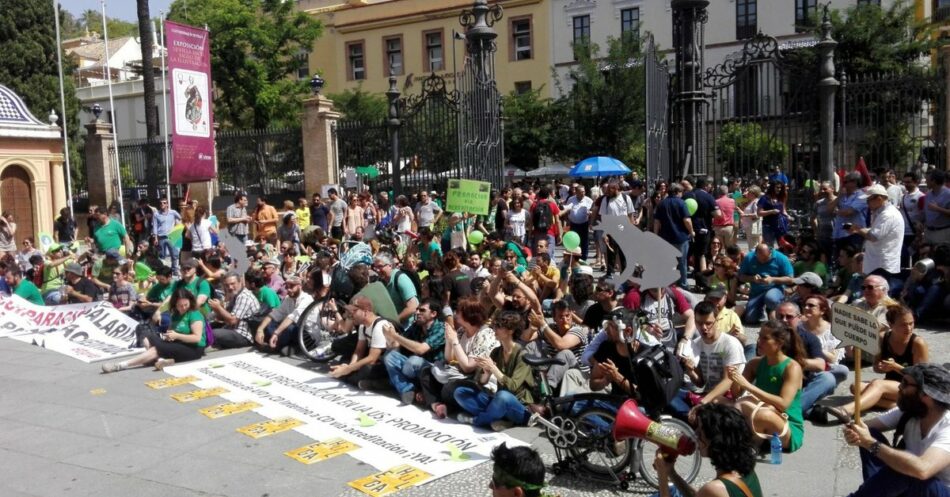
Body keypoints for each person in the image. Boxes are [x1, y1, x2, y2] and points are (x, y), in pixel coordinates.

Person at [842, 363, 950, 497]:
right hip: (909, 483)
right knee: (871, 435)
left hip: (937, 490)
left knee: (908, 468)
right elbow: (865, 428)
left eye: (905, 383)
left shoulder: (947, 427)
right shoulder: (910, 411)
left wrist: (871, 443)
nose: (899, 386)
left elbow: (923, 470)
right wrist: (855, 432)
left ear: (925, 395)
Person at [819, 305, 930, 423]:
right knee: (855, 387)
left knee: (877, 384)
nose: (909, 328)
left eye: (911, 323)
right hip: (892, 386)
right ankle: (896, 405)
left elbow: (921, 377)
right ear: (891, 325)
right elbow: (876, 366)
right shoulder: (883, 338)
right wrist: (881, 367)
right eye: (903, 324)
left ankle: (847, 410)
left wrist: (896, 367)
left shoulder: (918, 343)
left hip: (912, 388)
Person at [728, 319, 806, 453]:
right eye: (759, 336)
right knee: (735, 404)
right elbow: (736, 394)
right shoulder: (755, 363)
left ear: (779, 343)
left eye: (765, 338)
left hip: (787, 426)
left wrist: (748, 386)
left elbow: (783, 404)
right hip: (761, 413)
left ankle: (752, 445)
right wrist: (734, 378)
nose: (759, 341)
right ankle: (745, 440)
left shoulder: (792, 367)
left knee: (764, 414)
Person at [655, 403, 763, 497]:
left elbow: (708, 493)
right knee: (674, 490)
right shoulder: (747, 471)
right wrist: (670, 472)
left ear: (716, 441)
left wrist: (662, 474)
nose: (695, 435)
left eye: (700, 432)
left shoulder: (715, 488)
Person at [454, 311, 535, 431]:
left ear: (510, 330)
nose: (494, 329)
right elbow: (480, 383)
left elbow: (512, 386)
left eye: (499, 327)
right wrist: (486, 374)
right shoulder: (496, 352)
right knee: (460, 392)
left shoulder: (522, 355)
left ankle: (478, 420)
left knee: (503, 397)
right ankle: (498, 419)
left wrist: (493, 368)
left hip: (519, 406)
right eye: (494, 326)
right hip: (498, 399)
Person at [419, 296, 498, 419]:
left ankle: (446, 405)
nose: (455, 314)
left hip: (478, 379)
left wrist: (454, 341)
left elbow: (468, 367)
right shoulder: (462, 331)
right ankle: (437, 405)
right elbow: (449, 359)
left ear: (469, 316)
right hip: (459, 374)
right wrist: (449, 340)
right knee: (426, 372)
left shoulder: (485, 335)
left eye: (459, 312)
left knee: (449, 387)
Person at [101, 288, 206, 373]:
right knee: (148, 337)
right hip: (177, 341)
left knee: (156, 349)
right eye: (180, 305)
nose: (183, 308)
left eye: (185, 305)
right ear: (175, 304)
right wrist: (166, 336)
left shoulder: (194, 314)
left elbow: (196, 338)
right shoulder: (175, 313)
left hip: (194, 348)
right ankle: (160, 360)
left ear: (190, 303)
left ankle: (121, 365)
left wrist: (177, 336)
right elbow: (170, 332)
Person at [671, 301, 746, 418]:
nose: (704, 328)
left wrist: (703, 402)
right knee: (670, 394)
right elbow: (701, 382)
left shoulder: (730, 344)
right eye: (699, 323)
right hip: (708, 395)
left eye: (708, 323)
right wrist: (691, 371)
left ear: (717, 321)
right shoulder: (696, 344)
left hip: (728, 398)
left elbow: (728, 381)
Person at [382, 298, 446, 404]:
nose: (417, 312)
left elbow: (421, 349)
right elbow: (397, 344)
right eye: (417, 309)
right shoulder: (416, 325)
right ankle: (408, 390)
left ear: (433, 314)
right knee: (390, 356)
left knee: (413, 361)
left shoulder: (441, 328)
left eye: (422, 310)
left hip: (434, 370)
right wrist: (388, 336)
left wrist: (395, 336)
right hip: (413, 367)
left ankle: (399, 384)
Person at [854, 184, 905, 291]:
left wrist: (857, 229)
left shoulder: (888, 214)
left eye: (869, 200)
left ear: (879, 198)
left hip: (881, 264)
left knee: (879, 296)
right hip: (876, 262)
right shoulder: (881, 213)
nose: (867, 203)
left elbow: (873, 236)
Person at [254, 275, 312, 354]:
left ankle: (278, 345)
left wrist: (276, 333)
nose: (288, 289)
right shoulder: (288, 298)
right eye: (286, 287)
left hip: (307, 333)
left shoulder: (307, 299)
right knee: (268, 323)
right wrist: (260, 329)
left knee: (288, 328)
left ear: (300, 286)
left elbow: (291, 318)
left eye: (291, 286)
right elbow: (275, 314)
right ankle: (282, 344)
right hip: (292, 329)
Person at [738, 243, 795, 324]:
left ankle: (773, 309)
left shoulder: (781, 258)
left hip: (775, 288)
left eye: (765, 259)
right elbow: (740, 276)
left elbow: (790, 279)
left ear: (770, 253)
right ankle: (758, 310)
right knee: (750, 319)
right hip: (757, 291)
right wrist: (752, 278)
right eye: (759, 259)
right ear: (755, 254)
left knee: (771, 298)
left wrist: (772, 279)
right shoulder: (749, 257)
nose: (762, 261)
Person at [208, 271, 264, 349]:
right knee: (208, 327)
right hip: (232, 328)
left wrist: (219, 308)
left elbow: (233, 320)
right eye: (227, 285)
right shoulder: (235, 295)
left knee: (213, 333)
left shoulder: (244, 296)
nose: (230, 287)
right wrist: (218, 308)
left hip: (244, 334)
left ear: (240, 282)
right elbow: (223, 318)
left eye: (232, 284)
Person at [654, 183, 694, 288]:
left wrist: (655, 235)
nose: (682, 194)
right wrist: (691, 232)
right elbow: (687, 220)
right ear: (677, 192)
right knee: (682, 263)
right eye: (681, 192)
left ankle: (667, 283)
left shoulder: (662, 204)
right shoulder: (681, 203)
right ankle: (683, 284)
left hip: (665, 237)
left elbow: (657, 222)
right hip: (680, 238)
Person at [596, 180, 637, 278]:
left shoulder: (626, 198)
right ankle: (610, 274)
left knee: (624, 255)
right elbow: (603, 218)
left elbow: (630, 215)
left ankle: (625, 276)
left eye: (609, 190)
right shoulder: (605, 200)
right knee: (611, 255)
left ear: (616, 189)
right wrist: (604, 234)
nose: (607, 192)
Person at [685, 176, 723, 278]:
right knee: (701, 254)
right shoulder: (708, 197)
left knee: (686, 255)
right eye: (710, 185)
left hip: (688, 229)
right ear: (706, 186)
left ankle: (682, 279)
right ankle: (702, 278)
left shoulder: (687, 195)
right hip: (703, 229)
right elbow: (718, 215)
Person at [373, 252, 419, 326]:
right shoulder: (380, 282)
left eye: (380, 266)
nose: (377, 270)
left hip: (407, 327)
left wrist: (395, 321)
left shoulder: (400, 279)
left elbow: (413, 307)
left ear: (390, 266)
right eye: (375, 267)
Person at [832, 172, 869, 255]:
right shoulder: (842, 195)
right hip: (839, 234)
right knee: (841, 262)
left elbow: (849, 212)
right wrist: (838, 196)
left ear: (854, 183)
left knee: (853, 259)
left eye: (845, 182)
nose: (843, 184)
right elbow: (829, 209)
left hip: (853, 234)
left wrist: (837, 212)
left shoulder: (861, 196)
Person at [899, 172, 926, 268]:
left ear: (916, 182)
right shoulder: (903, 197)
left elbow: (925, 216)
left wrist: (920, 230)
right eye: (904, 182)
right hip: (903, 233)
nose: (906, 184)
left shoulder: (921, 197)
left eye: (909, 182)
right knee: (903, 259)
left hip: (915, 235)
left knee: (915, 260)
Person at [562, 184, 593, 261]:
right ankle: (575, 258)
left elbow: (593, 211)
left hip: (584, 224)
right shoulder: (571, 199)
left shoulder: (589, 200)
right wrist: (567, 220)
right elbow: (567, 210)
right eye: (581, 192)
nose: (583, 193)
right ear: (576, 192)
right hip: (573, 224)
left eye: (584, 192)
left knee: (584, 242)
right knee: (574, 242)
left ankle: (584, 258)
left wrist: (590, 213)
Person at [152, 197, 182, 276]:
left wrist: (177, 228)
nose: (162, 204)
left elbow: (181, 218)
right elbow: (154, 226)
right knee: (162, 255)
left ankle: (174, 270)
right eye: (161, 203)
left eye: (164, 203)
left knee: (174, 254)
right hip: (161, 237)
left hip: (171, 236)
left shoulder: (173, 212)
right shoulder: (156, 214)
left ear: (167, 204)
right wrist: (155, 238)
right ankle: (163, 271)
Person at [528, 187, 560, 260]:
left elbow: (531, 221)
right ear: (548, 195)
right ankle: (551, 269)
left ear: (539, 195)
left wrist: (530, 234)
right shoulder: (552, 204)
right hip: (550, 232)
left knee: (537, 254)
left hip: (537, 232)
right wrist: (559, 234)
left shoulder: (534, 205)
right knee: (549, 254)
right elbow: (557, 221)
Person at [757, 180, 789, 248]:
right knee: (769, 247)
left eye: (780, 188)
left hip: (779, 226)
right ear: (772, 187)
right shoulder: (764, 198)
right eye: (777, 187)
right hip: (768, 227)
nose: (779, 189)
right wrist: (771, 211)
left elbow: (783, 211)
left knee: (783, 246)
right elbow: (759, 213)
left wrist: (788, 216)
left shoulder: (780, 198)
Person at [924, 169, 950, 246]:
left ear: (933, 181)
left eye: (927, 180)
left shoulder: (948, 194)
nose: (925, 182)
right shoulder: (928, 194)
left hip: (943, 233)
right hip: (928, 232)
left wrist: (938, 209)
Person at [740, 185, 763, 250]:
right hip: (750, 227)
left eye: (749, 192)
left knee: (753, 246)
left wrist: (745, 215)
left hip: (753, 227)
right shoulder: (751, 201)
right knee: (752, 245)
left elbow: (757, 214)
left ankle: (754, 259)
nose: (748, 194)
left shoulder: (755, 202)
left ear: (753, 194)